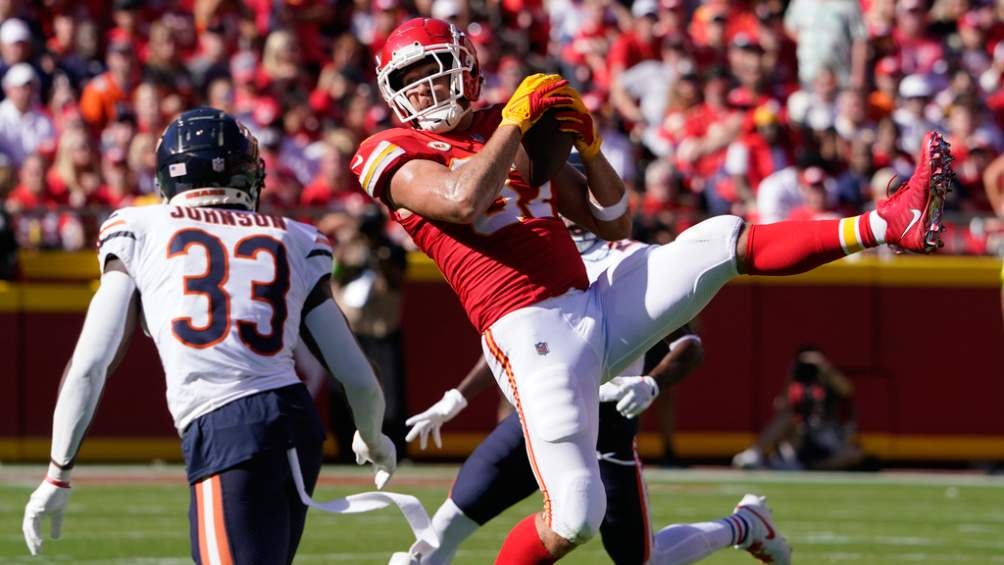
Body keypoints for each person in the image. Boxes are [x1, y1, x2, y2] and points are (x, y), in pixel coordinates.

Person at [353, 17, 951, 564]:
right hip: (528, 329)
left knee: (718, 239)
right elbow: (462, 199)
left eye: (433, 71)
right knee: (577, 516)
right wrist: (515, 122)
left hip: (592, 299)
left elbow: (612, 222)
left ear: (465, 66)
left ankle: (887, 223)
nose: (425, 89)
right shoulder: (388, 149)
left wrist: (588, 145)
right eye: (410, 77)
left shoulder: (504, 131)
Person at [21, 108, 397, 563]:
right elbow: (357, 374)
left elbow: (90, 363)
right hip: (297, 424)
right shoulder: (295, 236)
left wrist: (58, 472)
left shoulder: (140, 227)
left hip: (227, 423)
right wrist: (372, 435)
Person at [397, 227, 791, 565]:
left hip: (608, 427)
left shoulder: (631, 259)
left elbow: (689, 343)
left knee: (642, 559)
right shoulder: (538, 254)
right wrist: (458, 397)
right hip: (544, 411)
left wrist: (651, 382)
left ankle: (744, 524)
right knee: (443, 529)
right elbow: (515, 338)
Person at [733, 345, 864, 471]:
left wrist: (824, 367)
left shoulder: (830, 381)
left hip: (828, 441)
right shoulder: (796, 385)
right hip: (802, 438)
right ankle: (754, 454)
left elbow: (847, 389)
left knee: (853, 454)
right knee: (787, 416)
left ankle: (807, 468)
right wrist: (791, 374)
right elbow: (780, 406)